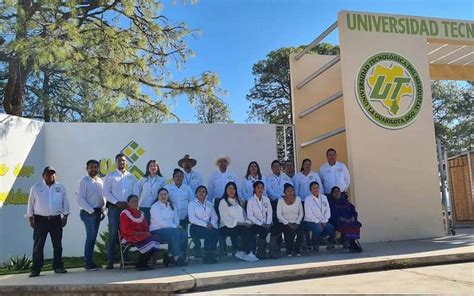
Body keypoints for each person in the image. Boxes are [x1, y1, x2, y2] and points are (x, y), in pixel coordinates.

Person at [26, 166, 69, 277]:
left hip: (56, 220)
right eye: (48, 174)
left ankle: (58, 266)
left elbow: (65, 203)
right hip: (40, 220)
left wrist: (65, 217)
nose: (51, 176)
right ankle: (36, 269)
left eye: (53, 174)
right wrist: (30, 218)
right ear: (43, 175)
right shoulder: (36, 187)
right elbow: (30, 203)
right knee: (38, 246)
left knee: (57, 245)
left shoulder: (60, 187)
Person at [103, 153, 139, 269]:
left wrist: (129, 204)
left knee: (126, 233)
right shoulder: (110, 176)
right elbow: (106, 192)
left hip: (128, 209)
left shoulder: (131, 176)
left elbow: (135, 192)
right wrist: (116, 202)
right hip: (114, 209)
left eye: (123, 161)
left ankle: (125, 258)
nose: (121, 162)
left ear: (126, 162)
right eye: (119, 160)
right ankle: (110, 260)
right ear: (116, 162)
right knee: (113, 234)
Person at [77, 159, 106, 271]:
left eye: (95, 167)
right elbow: (80, 198)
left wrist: (104, 210)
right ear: (87, 169)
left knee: (93, 238)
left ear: (98, 169)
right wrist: (91, 210)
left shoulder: (100, 181)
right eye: (91, 167)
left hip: (98, 212)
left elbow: (103, 197)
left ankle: (90, 261)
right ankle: (87, 262)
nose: (93, 169)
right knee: (91, 237)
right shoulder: (83, 181)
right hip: (88, 213)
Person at [119, 195, 161, 271]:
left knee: (155, 238)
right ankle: (141, 264)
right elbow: (125, 229)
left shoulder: (141, 213)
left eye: (136, 201)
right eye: (132, 201)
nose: (135, 203)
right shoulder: (124, 214)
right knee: (149, 241)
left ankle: (142, 263)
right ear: (128, 203)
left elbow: (145, 227)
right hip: (130, 235)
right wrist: (140, 234)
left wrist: (146, 233)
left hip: (142, 235)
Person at [218, 182, 257, 262]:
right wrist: (241, 224)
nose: (231, 191)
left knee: (252, 228)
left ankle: (251, 252)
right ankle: (244, 251)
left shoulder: (238, 201)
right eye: (229, 189)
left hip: (239, 225)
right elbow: (226, 219)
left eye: (233, 189)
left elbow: (243, 215)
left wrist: (248, 222)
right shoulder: (223, 202)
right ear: (226, 190)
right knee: (244, 230)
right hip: (226, 226)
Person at [149, 188, 188, 266]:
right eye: (161, 194)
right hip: (157, 230)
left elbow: (176, 218)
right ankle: (176, 257)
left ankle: (170, 255)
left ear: (168, 196)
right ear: (158, 196)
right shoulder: (155, 206)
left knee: (184, 233)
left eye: (165, 194)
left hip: (170, 230)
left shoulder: (172, 205)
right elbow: (160, 223)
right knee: (175, 232)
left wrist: (176, 225)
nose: (163, 196)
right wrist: (175, 226)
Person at [188, 185, 219, 264]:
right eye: (199, 191)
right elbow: (192, 219)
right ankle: (206, 255)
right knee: (209, 233)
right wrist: (205, 224)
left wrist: (211, 223)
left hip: (208, 226)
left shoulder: (209, 203)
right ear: (196, 194)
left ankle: (211, 254)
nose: (201, 193)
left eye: (203, 192)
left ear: (206, 194)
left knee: (215, 232)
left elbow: (214, 216)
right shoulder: (192, 204)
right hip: (196, 227)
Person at [328, 186, 362, 252]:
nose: (336, 193)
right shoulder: (331, 204)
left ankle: (352, 242)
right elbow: (333, 215)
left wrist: (352, 217)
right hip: (338, 222)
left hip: (349, 220)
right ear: (332, 194)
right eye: (334, 192)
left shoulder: (346, 202)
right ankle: (350, 244)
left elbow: (353, 211)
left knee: (355, 224)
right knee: (346, 225)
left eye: (338, 191)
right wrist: (344, 219)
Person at [303, 182, 335, 251]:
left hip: (323, 221)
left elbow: (327, 210)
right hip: (310, 221)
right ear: (310, 190)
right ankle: (315, 243)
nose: (316, 189)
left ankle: (320, 239)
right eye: (313, 188)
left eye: (317, 188)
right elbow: (309, 214)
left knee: (330, 227)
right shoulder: (308, 199)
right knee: (318, 227)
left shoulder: (324, 197)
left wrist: (325, 221)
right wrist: (319, 222)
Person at [246, 181, 273, 259]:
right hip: (255, 224)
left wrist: (268, 222)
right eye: (258, 188)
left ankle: (272, 251)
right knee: (263, 231)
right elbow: (250, 216)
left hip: (266, 223)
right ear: (254, 189)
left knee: (275, 230)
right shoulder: (251, 200)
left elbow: (270, 212)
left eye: (262, 188)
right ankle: (260, 251)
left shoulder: (266, 199)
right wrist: (260, 223)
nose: (260, 190)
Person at [277, 183, 304, 257]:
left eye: (292, 191)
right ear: (284, 192)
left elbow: (301, 213)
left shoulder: (298, 199)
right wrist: (288, 223)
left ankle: (297, 250)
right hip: (284, 222)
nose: (290, 193)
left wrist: (297, 222)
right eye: (288, 191)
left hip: (296, 222)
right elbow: (279, 215)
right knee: (288, 231)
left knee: (300, 232)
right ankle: (289, 250)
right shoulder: (281, 200)